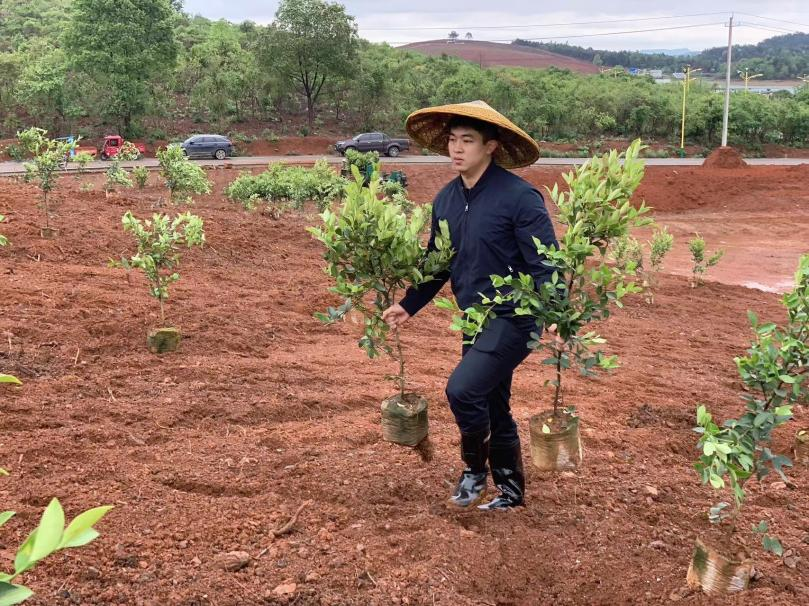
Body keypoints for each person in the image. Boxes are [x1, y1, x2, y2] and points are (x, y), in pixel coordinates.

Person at [382, 101, 558, 510]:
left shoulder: (519, 197)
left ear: (490, 146)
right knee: (492, 401)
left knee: (462, 390)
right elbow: (438, 261)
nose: (457, 149)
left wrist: (558, 314)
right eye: (452, 140)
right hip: (475, 320)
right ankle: (511, 491)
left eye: (468, 140)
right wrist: (409, 304)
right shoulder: (446, 200)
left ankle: (475, 471)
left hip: (516, 317)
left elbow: (546, 261)